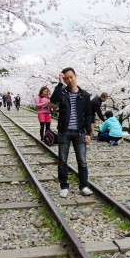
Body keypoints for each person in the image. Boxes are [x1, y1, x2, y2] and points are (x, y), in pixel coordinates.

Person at [50, 67, 93, 198]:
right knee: (62, 160)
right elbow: (52, 102)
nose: (69, 80)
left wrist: (88, 133)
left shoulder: (84, 95)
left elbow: (89, 114)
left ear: (76, 76)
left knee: (82, 161)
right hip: (64, 132)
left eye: (71, 77)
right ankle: (64, 186)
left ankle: (84, 186)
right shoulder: (62, 93)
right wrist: (59, 84)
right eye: (66, 78)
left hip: (80, 132)